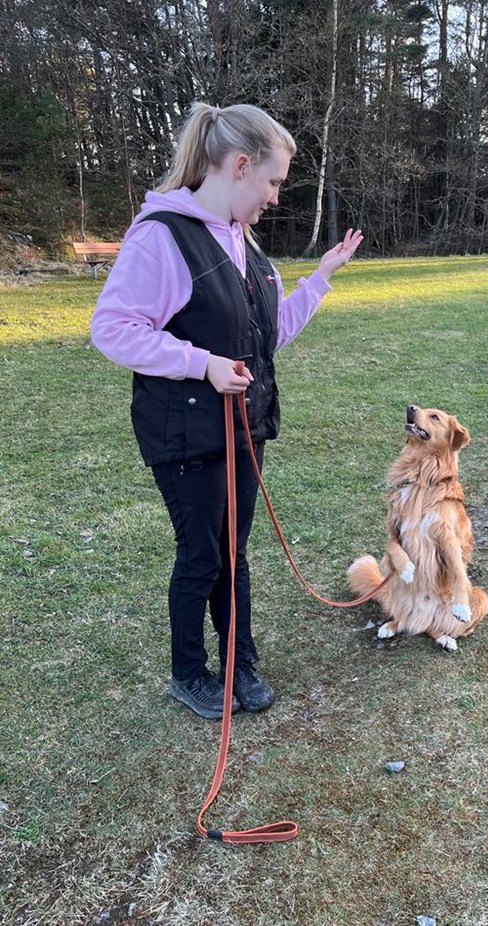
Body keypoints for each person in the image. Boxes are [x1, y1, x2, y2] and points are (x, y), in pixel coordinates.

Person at [90, 102, 363, 720]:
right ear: (240, 165)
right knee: (202, 556)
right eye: (272, 181)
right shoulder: (163, 236)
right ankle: (189, 672)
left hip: (243, 430)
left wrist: (318, 279)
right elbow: (111, 328)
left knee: (233, 553)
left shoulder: (246, 245)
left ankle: (240, 662)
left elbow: (264, 337)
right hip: (185, 433)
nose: (273, 197)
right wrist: (200, 362)